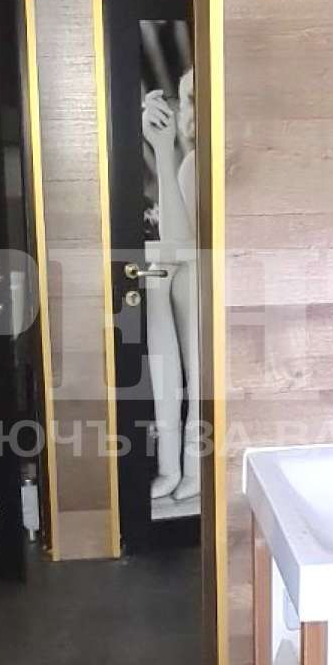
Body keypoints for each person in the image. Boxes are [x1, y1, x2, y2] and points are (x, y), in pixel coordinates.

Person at [140, 66, 199, 506]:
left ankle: (190, 465)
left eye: (197, 98)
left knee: (183, 279)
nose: (190, 111)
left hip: (225, 286)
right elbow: (179, 242)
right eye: (188, 100)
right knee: (156, 281)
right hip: (194, 280)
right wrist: (162, 151)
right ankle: (171, 464)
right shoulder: (193, 162)